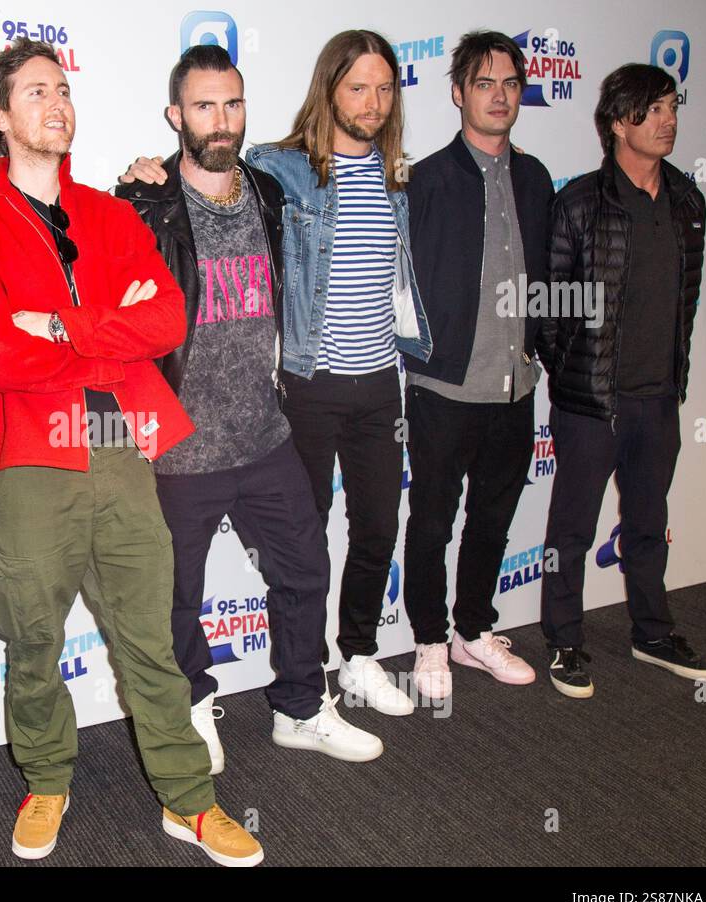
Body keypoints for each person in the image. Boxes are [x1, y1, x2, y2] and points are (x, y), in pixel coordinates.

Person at [0, 38, 262, 866]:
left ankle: (188, 801)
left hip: (118, 441)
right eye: (35, 91)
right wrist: (106, 338)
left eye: (62, 89)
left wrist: (55, 324)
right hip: (24, 455)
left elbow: (167, 323)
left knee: (149, 637)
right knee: (33, 640)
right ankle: (47, 778)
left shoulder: (114, 214)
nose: (56, 102)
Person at [115, 44, 385, 772]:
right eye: (204, 105)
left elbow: (341, 155)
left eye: (232, 103)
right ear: (176, 115)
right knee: (178, 599)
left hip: (266, 434)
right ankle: (193, 707)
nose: (221, 119)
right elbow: (112, 324)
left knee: (303, 573)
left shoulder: (269, 190)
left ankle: (301, 706)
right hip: (180, 448)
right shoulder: (142, 202)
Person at [244, 30, 431, 709]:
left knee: (380, 526)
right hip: (310, 385)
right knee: (305, 537)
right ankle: (306, 674)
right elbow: (212, 184)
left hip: (383, 384)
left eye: (384, 88)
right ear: (329, 90)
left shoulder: (398, 175)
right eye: (358, 87)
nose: (373, 101)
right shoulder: (280, 170)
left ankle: (360, 656)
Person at [537, 63, 706, 698]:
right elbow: (550, 309)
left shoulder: (689, 201)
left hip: (659, 399)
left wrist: (670, 379)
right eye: (653, 110)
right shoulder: (580, 202)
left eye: (672, 107)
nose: (668, 120)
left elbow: (685, 304)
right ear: (619, 123)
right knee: (571, 530)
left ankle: (653, 631)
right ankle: (563, 639)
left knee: (647, 522)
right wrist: (575, 379)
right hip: (592, 405)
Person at [402, 31, 553, 699]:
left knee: (492, 517)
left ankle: (471, 632)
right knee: (432, 520)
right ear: (459, 92)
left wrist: (539, 351)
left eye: (510, 84)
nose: (499, 96)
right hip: (442, 388)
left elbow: (546, 275)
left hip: (514, 387)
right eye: (484, 83)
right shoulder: (425, 179)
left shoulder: (535, 176)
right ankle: (429, 641)